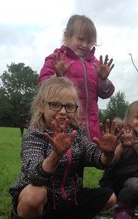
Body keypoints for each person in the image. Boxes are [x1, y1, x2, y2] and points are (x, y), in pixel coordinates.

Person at [9, 76, 118, 219]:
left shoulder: (77, 132)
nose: (62, 112)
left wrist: (107, 154)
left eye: (69, 106)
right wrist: (56, 154)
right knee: (34, 193)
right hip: (43, 200)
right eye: (55, 105)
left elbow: (95, 157)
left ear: (76, 109)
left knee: (110, 198)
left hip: (69, 196)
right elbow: (34, 176)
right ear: (40, 105)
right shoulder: (34, 135)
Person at [38, 14, 115, 142]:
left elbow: (105, 93)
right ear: (67, 36)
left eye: (89, 41)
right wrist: (58, 76)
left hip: (91, 128)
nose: (85, 45)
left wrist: (103, 80)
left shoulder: (95, 64)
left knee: (92, 158)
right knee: (67, 159)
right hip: (64, 125)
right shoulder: (56, 59)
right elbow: (43, 86)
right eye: (80, 39)